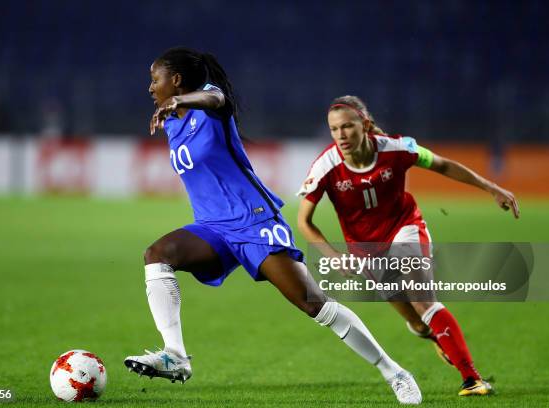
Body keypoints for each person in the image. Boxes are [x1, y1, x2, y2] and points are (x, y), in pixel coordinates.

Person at [124, 48, 422, 404]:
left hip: (254, 222)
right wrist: (173, 109)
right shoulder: (172, 122)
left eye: (155, 79)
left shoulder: (211, 108)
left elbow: (216, 96)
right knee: (157, 255)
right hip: (213, 228)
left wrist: (182, 101)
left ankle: (394, 372)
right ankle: (176, 356)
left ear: (176, 81)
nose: (149, 87)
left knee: (315, 306)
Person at [297, 95, 520, 397]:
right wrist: (334, 256)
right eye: (334, 129)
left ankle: (472, 379)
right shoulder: (326, 166)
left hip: (405, 229)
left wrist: (491, 187)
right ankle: (437, 338)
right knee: (417, 323)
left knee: (423, 301)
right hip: (366, 251)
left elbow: (442, 165)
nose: (341, 135)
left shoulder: (398, 148)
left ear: (364, 125)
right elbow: (304, 221)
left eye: (347, 127)